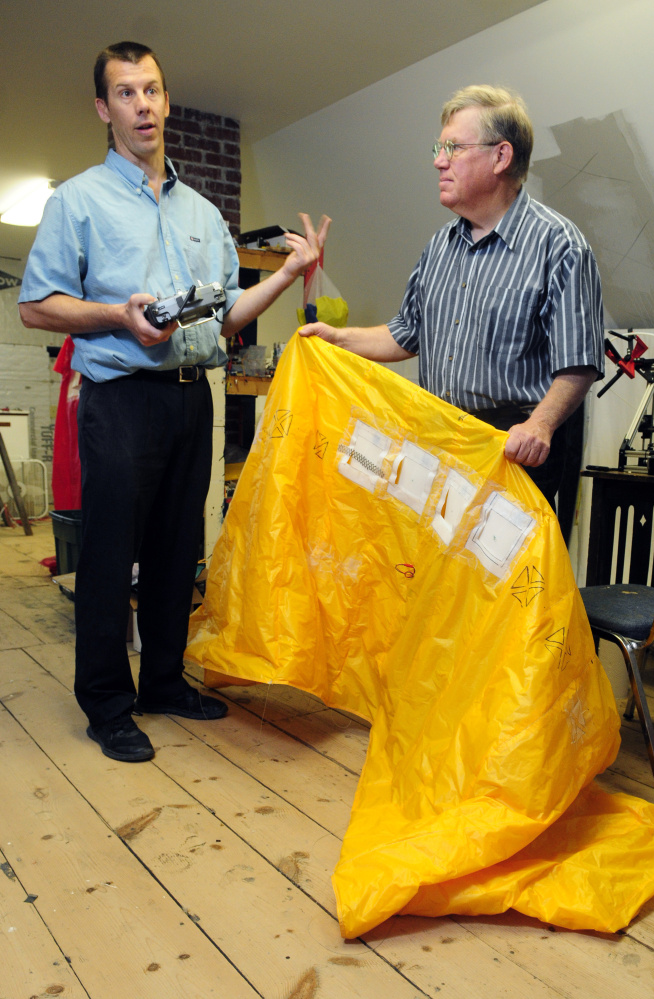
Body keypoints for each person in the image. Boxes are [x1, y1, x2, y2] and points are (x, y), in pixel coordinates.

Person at [19, 41, 330, 763]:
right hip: (121, 398)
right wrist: (115, 316)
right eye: (125, 93)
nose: (143, 105)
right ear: (104, 109)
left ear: (166, 99)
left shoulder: (202, 212)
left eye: (152, 90)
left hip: (194, 399)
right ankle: (106, 701)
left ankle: (162, 680)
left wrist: (288, 271)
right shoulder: (77, 202)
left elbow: (223, 316)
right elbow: (37, 306)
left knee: (176, 550)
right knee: (109, 554)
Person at [299, 85, 604, 507]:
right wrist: (339, 339)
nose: (438, 161)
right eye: (439, 148)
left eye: (454, 148)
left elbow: (579, 362)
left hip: (511, 453)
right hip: (440, 443)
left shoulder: (560, 245)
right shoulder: (440, 245)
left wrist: (540, 426)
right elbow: (406, 334)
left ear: (501, 156)